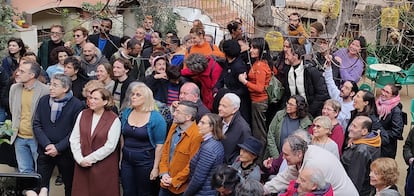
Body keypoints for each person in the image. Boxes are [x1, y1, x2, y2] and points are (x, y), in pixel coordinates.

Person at [32, 74, 84, 195]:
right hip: (45, 151)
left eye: (55, 85)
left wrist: (58, 147)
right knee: (40, 186)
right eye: (50, 84)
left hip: (66, 153)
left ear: (65, 88)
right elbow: (36, 124)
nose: (50, 88)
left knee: (69, 185)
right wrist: (47, 144)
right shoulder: (43, 100)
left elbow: (76, 131)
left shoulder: (76, 105)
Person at [263, 135, 358, 196]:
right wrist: (264, 189)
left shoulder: (313, 165)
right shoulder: (304, 153)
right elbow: (286, 177)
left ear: (299, 153)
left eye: (286, 154)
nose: (283, 158)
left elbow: (310, 191)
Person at [70, 88, 121, 196]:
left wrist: (89, 159)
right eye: (90, 98)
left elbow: (110, 146)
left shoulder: (113, 119)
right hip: (82, 163)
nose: (91, 101)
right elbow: (74, 138)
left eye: (96, 99)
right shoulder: (83, 114)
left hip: (103, 166)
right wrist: (79, 159)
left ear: (105, 102)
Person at [120, 82, 167, 196]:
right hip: (127, 160)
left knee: (144, 192)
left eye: (138, 95)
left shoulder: (156, 118)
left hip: (145, 161)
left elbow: (160, 146)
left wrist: (155, 168)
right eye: (132, 94)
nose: (133, 97)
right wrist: (120, 159)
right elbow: (122, 137)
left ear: (146, 98)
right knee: (128, 191)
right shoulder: (126, 113)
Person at [9, 59, 49, 173]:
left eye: (22, 71)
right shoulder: (14, 88)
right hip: (19, 138)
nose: (17, 73)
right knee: (24, 172)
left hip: (37, 139)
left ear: (31, 75)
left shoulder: (45, 90)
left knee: (41, 173)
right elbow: (14, 111)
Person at [158, 101, 203, 195]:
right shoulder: (174, 126)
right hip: (165, 182)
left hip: (180, 188)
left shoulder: (197, 136)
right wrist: (164, 173)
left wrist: (174, 180)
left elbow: (191, 165)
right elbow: (165, 151)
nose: (174, 114)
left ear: (188, 117)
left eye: (178, 112)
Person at [238, 37, 272, 146]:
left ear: (261, 50)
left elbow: (259, 88)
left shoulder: (260, 66)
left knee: (259, 132)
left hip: (259, 101)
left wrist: (244, 81)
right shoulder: (260, 63)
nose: (251, 50)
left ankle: (260, 157)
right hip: (257, 101)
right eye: (251, 47)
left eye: (254, 48)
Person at [183, 113, 225, 196]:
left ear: (212, 127)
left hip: (203, 192)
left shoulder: (209, 148)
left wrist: (186, 194)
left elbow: (198, 179)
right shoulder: (212, 143)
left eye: (203, 123)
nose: (198, 125)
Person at [284, 43, 329, 117]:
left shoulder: (311, 71)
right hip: (293, 109)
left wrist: (309, 112)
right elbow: (287, 92)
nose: (285, 57)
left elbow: (322, 94)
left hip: (311, 111)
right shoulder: (287, 70)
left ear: (295, 56)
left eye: (288, 55)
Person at [341, 116, 381, 195]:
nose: (350, 128)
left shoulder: (361, 151)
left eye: (354, 126)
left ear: (364, 131)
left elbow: (355, 178)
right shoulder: (372, 139)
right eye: (351, 125)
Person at [214, 40, 251, 124]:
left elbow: (243, 89)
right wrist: (216, 90)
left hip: (238, 102)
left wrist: (228, 94)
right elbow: (222, 78)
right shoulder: (227, 63)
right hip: (227, 97)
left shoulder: (239, 67)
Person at [324, 60, 358, 129]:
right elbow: (329, 81)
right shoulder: (337, 95)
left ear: (352, 93)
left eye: (346, 88)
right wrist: (328, 67)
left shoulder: (353, 108)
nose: (342, 89)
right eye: (343, 86)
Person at [218, 93, 251, 164]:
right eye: (220, 105)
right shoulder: (218, 120)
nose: (220, 108)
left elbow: (244, 153)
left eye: (224, 106)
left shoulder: (243, 129)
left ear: (234, 109)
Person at [375, 84, 403, 158]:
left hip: (386, 148)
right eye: (383, 90)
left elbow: (396, 132)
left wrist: (380, 132)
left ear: (393, 96)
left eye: (387, 92)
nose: (383, 93)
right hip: (375, 144)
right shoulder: (377, 103)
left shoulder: (396, 111)